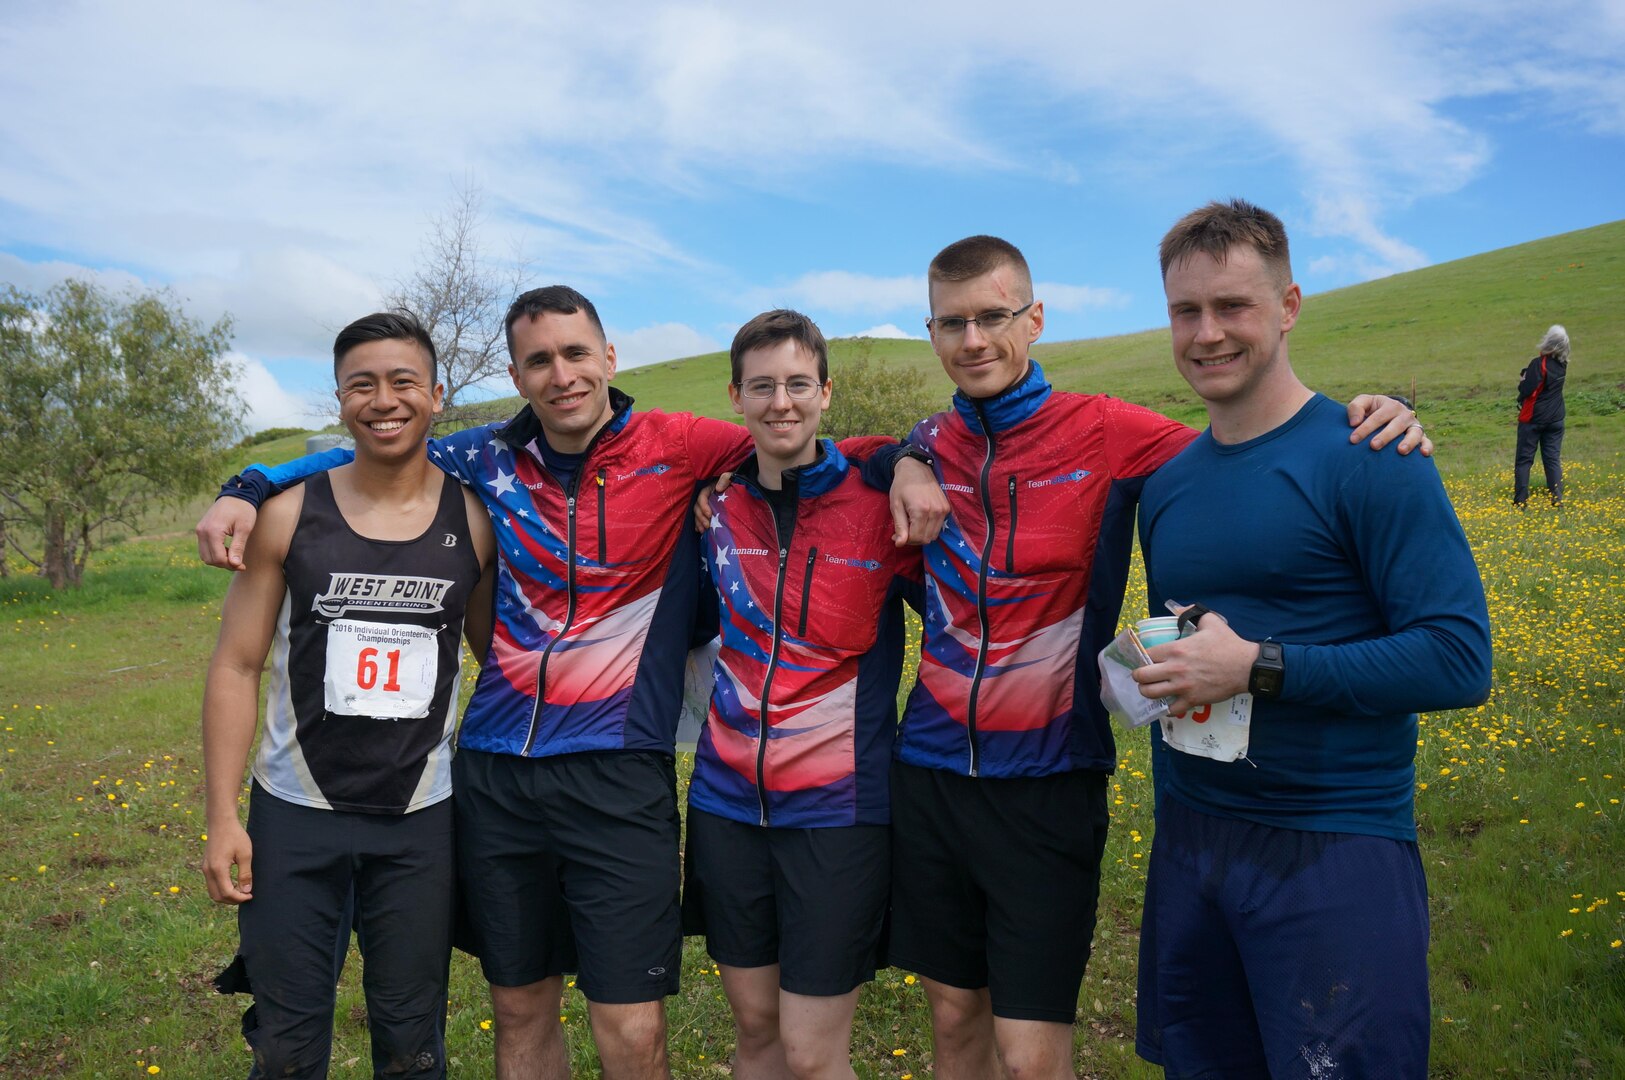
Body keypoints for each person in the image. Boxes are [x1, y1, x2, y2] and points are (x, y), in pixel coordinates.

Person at [194, 287, 947, 1080]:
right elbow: (372, 448)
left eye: (576, 353)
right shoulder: (483, 457)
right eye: (539, 361)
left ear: (609, 358)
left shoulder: (683, 445)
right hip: (495, 776)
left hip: (618, 775)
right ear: (517, 376)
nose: (562, 375)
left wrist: (905, 459)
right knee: (518, 1013)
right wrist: (250, 482)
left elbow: (810, 439)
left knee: (629, 1030)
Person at [879, 235, 1429, 1080]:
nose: (974, 340)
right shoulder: (928, 448)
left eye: (993, 316)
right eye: (952, 324)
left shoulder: (1106, 431)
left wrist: (1378, 410)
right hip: (928, 769)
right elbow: (818, 455)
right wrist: (907, 460)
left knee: (1028, 1058)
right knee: (952, 1020)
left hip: (1048, 776)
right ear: (931, 333)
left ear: (1034, 319)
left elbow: (1251, 440)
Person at [1129, 199, 1492, 1078]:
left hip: (1332, 846)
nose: (1206, 333)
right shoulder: (1167, 485)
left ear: (1288, 305)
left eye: (1232, 307)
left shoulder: (1369, 456)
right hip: (1190, 835)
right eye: (1186, 311)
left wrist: (1256, 666)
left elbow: (1457, 656)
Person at [201, 311, 496, 1079]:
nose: (383, 399)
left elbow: (499, 663)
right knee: (288, 1046)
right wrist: (224, 816)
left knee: (412, 1041)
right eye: (361, 384)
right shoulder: (288, 515)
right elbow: (236, 667)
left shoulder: (473, 520)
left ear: (436, 395)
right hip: (295, 817)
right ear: (339, 401)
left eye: (402, 382)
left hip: (420, 822)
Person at [682, 310, 924, 1079]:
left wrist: (907, 456)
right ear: (735, 396)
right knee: (754, 1034)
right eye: (761, 386)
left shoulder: (879, 499)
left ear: (825, 391)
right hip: (725, 806)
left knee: (815, 1055)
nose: (779, 402)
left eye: (795, 384)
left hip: (838, 815)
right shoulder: (714, 507)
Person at [1514, 324, 1570, 507]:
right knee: (1552, 459)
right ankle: (1557, 499)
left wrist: (1523, 380)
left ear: (1547, 341)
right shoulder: (1563, 364)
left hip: (1533, 419)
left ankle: (1521, 501)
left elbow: (1527, 390)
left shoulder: (1538, 364)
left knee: (1524, 460)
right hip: (1556, 418)